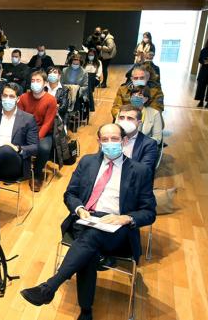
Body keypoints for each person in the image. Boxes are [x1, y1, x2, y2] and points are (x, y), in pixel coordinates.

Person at [20, 124, 156, 320]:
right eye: (106, 139)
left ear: (124, 141)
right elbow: (70, 194)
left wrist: (125, 218)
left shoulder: (140, 171)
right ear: (99, 142)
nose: (110, 143)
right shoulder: (88, 162)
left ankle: (54, 290)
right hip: (86, 219)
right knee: (89, 244)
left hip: (118, 228)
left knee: (89, 241)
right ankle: (81, 309)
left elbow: (149, 212)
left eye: (115, 139)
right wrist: (79, 209)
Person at [0, 83, 39, 180]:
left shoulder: (28, 119)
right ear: (1, 97)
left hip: (12, 164)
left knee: (6, 148)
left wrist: (17, 148)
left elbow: (34, 147)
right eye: (5, 96)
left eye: (11, 96)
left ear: (17, 99)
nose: (7, 99)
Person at [18, 70, 58, 191]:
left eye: (38, 80)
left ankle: (37, 174)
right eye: (33, 81)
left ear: (45, 83)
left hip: (43, 132)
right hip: (26, 130)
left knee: (44, 148)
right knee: (14, 143)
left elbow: (48, 123)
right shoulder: (24, 97)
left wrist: (36, 139)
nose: (35, 83)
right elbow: (19, 119)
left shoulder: (51, 100)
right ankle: (19, 170)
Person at [116, 105, 159, 174]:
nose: (125, 121)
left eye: (130, 118)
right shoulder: (109, 138)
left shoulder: (149, 144)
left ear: (139, 123)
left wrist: (119, 154)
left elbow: (143, 170)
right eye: (121, 118)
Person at [196, 39, 208, 107]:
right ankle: (201, 101)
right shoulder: (204, 50)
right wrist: (204, 61)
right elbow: (200, 59)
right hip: (204, 71)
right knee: (201, 87)